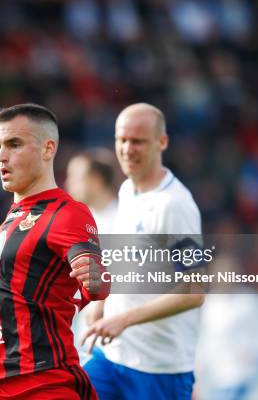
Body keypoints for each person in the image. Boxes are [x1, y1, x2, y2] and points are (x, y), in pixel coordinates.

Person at [0, 103, 110, 400]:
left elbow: (96, 279)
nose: (1, 156)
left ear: (48, 149)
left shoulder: (66, 213)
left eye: (14, 144)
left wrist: (94, 276)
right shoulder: (12, 219)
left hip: (40, 383)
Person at [81, 103, 205, 400]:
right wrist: (103, 301)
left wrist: (123, 319)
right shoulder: (127, 191)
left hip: (158, 368)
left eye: (137, 141)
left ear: (162, 142)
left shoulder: (175, 205)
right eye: (121, 140)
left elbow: (194, 290)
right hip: (112, 357)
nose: (127, 148)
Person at [65, 149, 118, 362]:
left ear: (96, 180)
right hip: (83, 337)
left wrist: (101, 304)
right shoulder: (74, 224)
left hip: (118, 341)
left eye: (75, 178)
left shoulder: (123, 220)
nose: (68, 184)